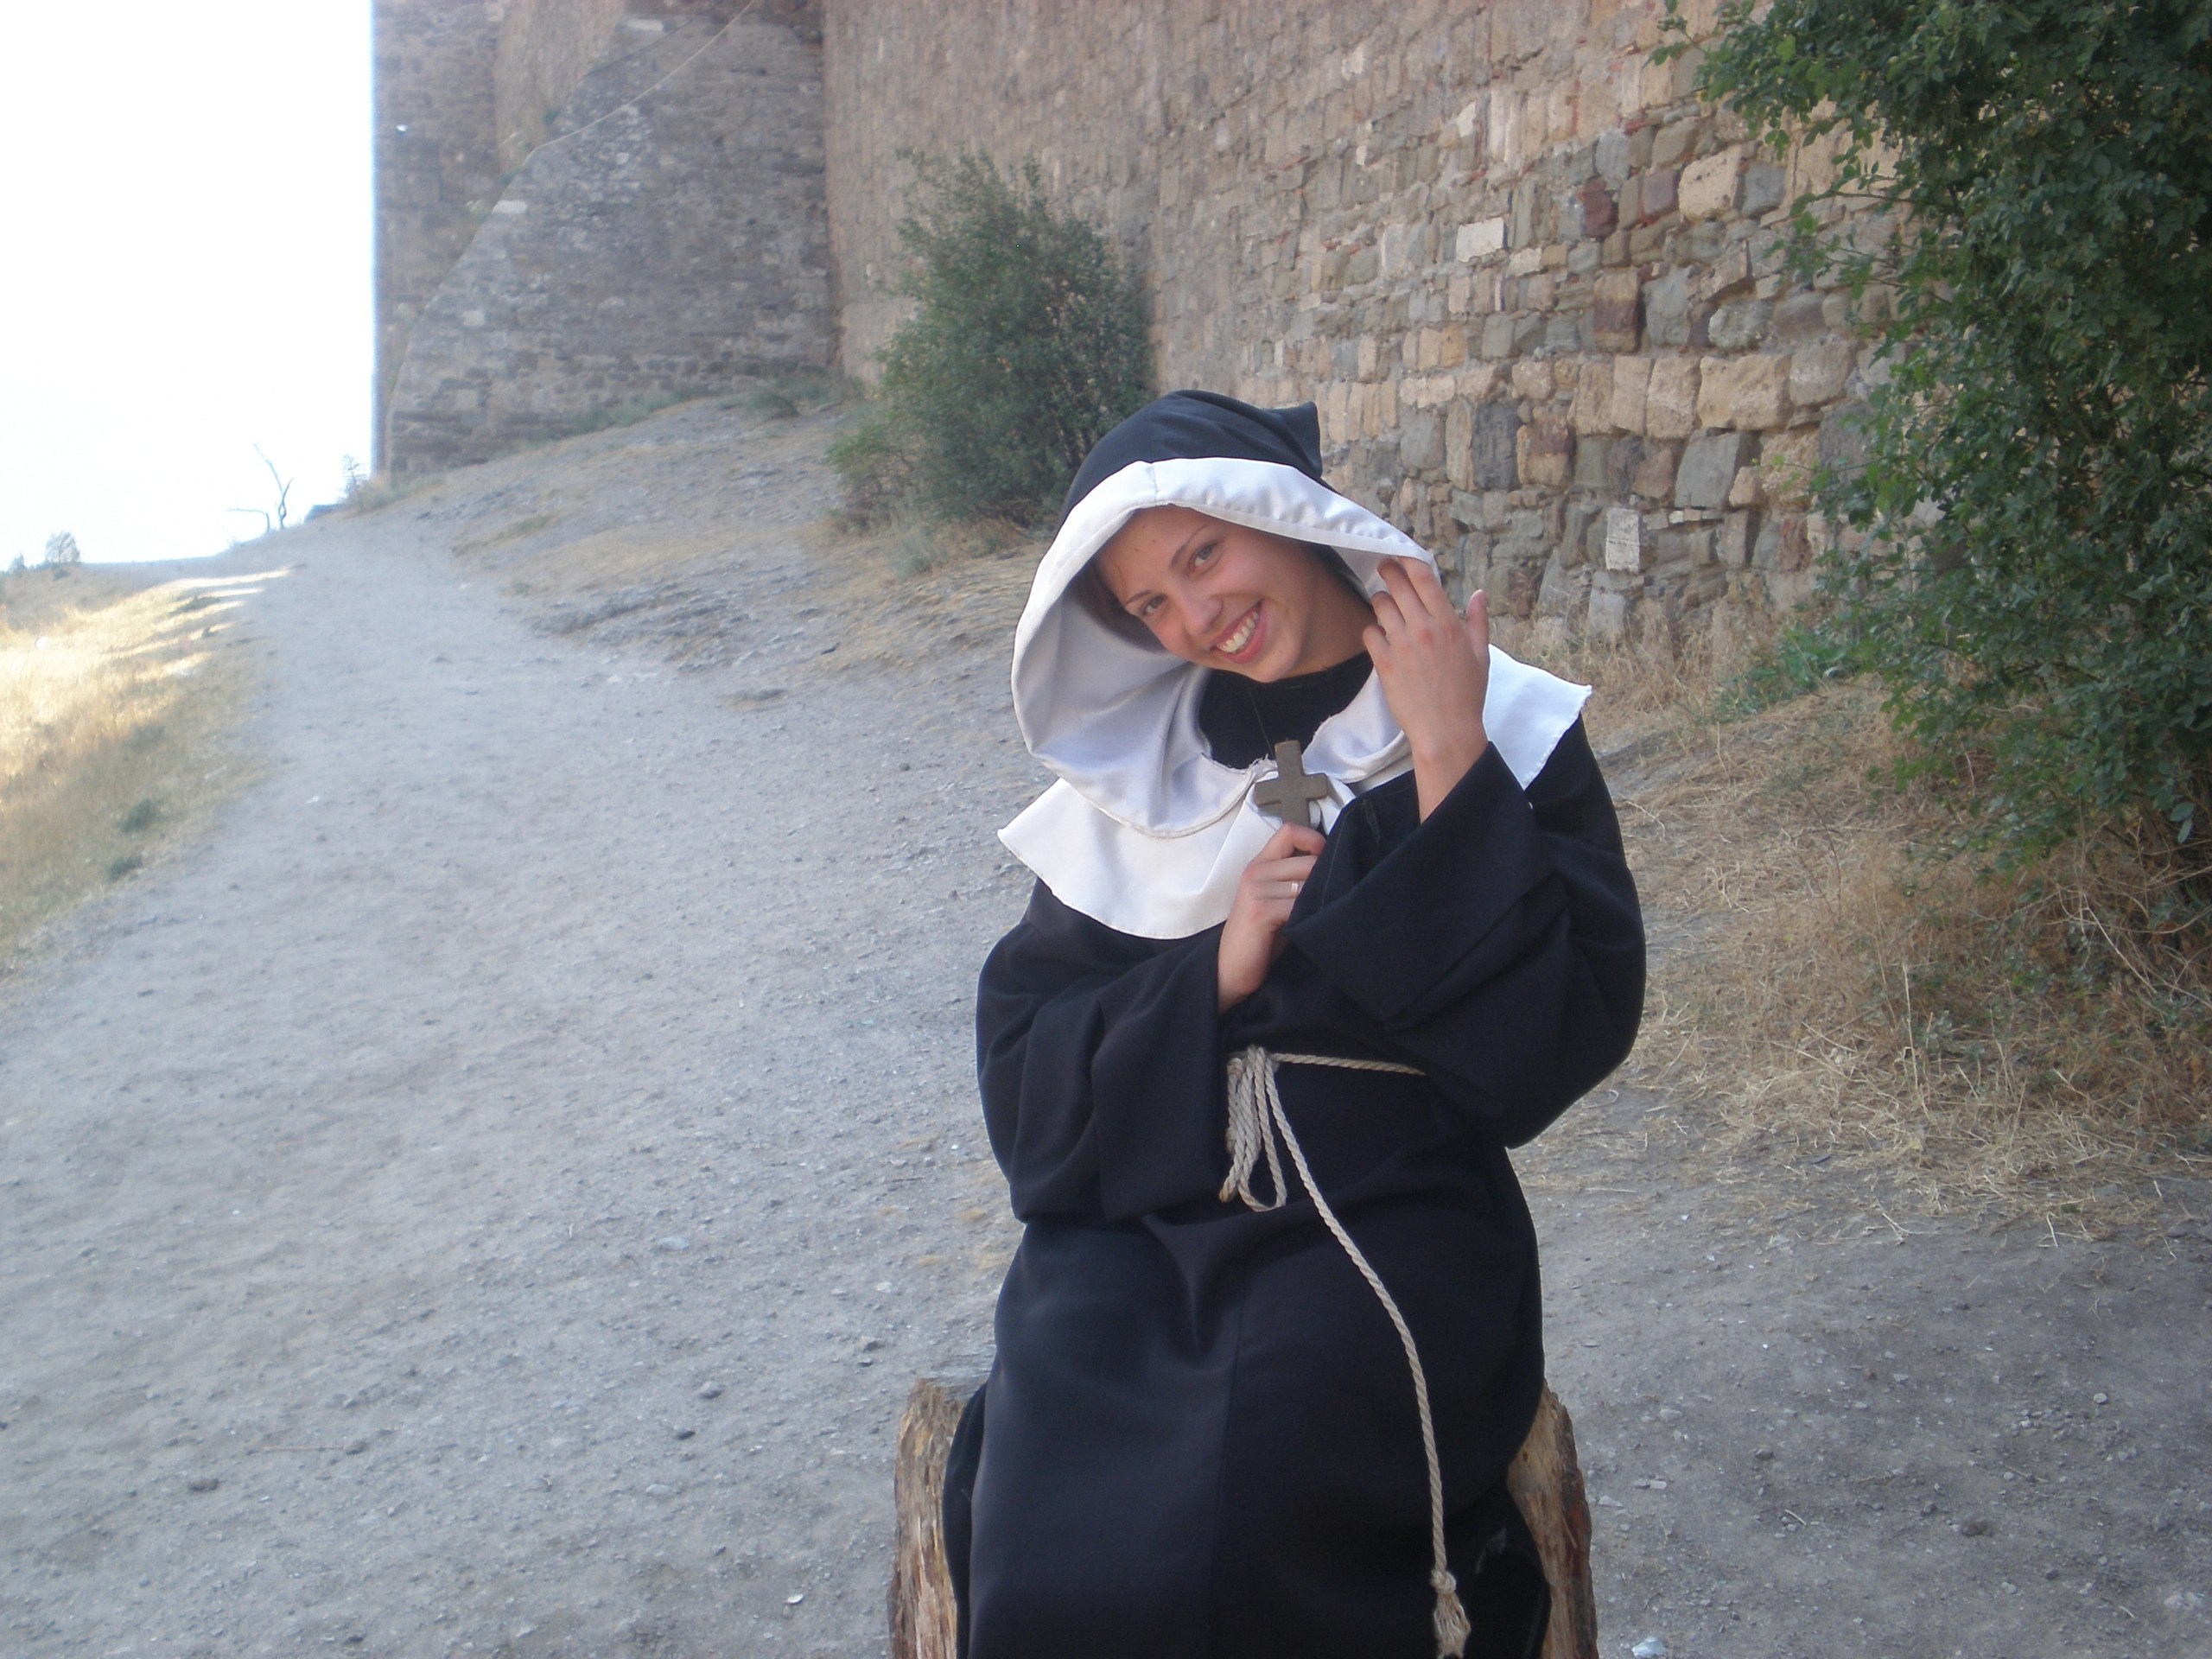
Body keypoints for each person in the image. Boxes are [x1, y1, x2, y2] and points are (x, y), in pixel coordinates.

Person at [941, 391, 1644, 1659]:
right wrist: (1212, 973)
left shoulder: (1490, 712)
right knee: (1047, 1518)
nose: (1194, 616)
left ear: (1282, 515)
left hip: (1385, 1212)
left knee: (1255, 1491)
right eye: (1150, 604)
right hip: (1145, 1222)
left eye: (1203, 555)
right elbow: (1028, 1085)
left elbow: (1550, 1051)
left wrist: (1447, 754)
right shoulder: (1144, 787)